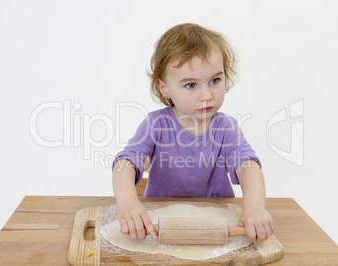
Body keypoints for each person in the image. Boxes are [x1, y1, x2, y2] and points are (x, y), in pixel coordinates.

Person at [112, 23, 274, 244]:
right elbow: (125, 163)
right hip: (161, 224)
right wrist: (128, 202)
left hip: (218, 222)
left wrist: (255, 207)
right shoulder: (155, 124)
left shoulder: (226, 128)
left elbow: (248, 166)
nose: (206, 95)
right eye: (190, 85)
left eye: (215, 81)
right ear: (164, 88)